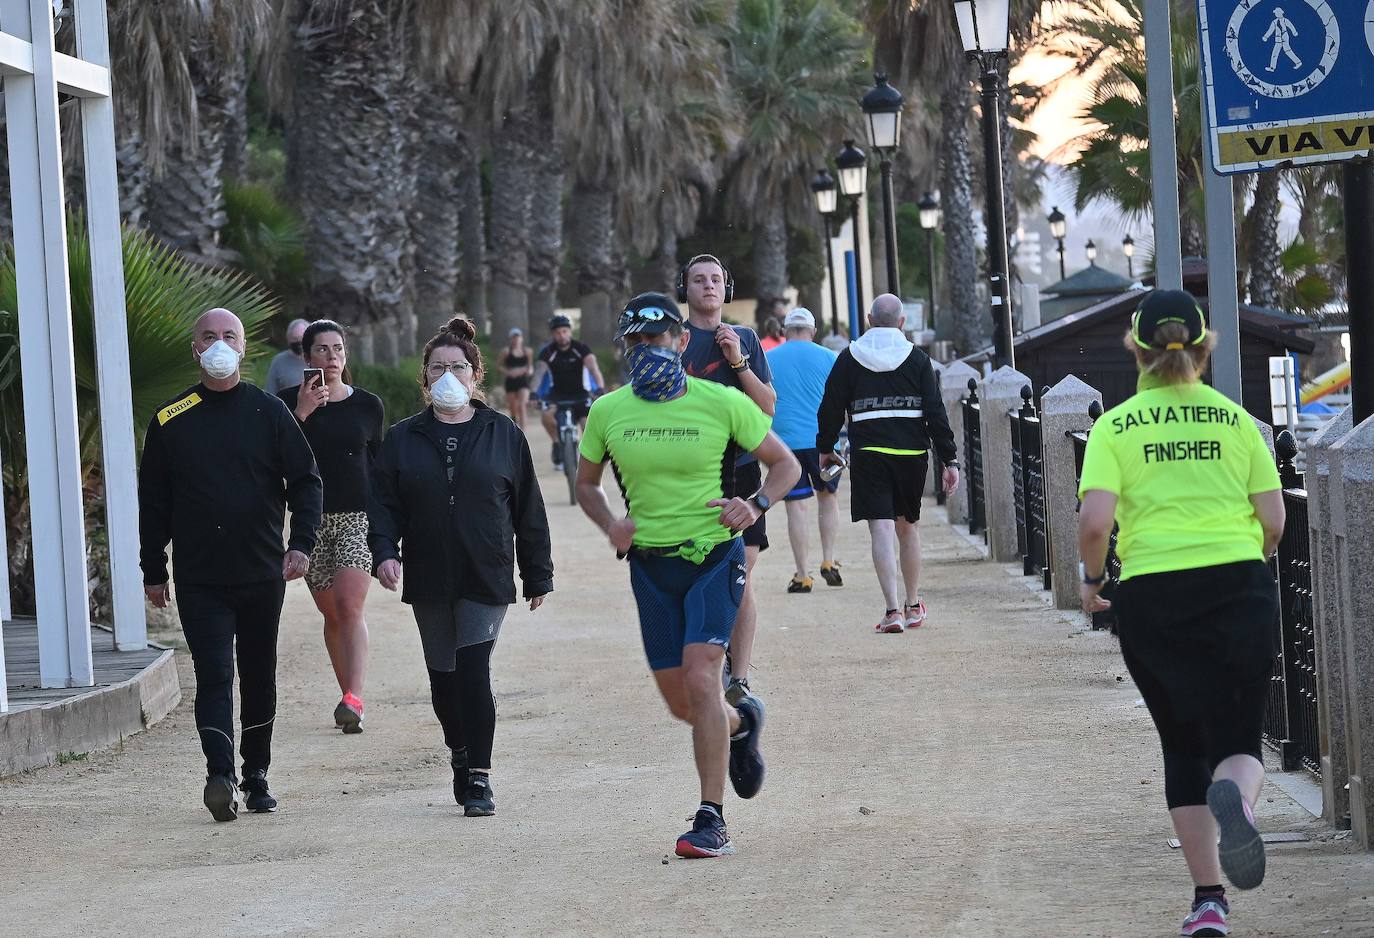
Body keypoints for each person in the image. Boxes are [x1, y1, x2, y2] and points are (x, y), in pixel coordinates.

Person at [1076, 290, 1286, 937]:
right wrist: (1247, 557)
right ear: (1204, 348)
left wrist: (1093, 579)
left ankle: (1208, 902)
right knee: (1239, 739)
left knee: (1182, 746)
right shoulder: (1237, 422)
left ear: (1137, 349)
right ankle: (1242, 809)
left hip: (1153, 595)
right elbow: (1274, 520)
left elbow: (1094, 522)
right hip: (1239, 585)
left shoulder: (1116, 426)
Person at [575, 292, 799, 858]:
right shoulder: (608, 411)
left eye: (659, 339)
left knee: (703, 677)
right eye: (639, 342)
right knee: (684, 704)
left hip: (712, 556)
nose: (650, 349)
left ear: (680, 341)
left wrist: (754, 506)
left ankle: (710, 818)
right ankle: (741, 726)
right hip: (651, 569)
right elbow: (585, 484)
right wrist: (610, 523)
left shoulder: (721, 400)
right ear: (628, 347)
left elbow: (785, 464)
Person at [139, 307, 322, 822]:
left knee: (258, 674)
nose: (218, 344)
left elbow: (307, 482)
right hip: (199, 577)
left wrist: (301, 544)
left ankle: (256, 773)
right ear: (194, 348)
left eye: (229, 336)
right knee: (214, 673)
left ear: (244, 348)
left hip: (262, 573)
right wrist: (153, 569)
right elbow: (152, 501)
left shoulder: (270, 412)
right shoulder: (170, 420)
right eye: (208, 336)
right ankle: (219, 774)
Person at [369, 316, 554, 818]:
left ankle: (480, 777)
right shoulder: (403, 438)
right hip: (428, 574)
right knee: (443, 681)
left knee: (474, 672)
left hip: (485, 571)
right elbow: (383, 505)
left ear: (476, 375)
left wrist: (537, 572)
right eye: (437, 367)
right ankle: (458, 750)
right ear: (424, 378)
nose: (447, 375)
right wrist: (384, 552)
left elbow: (528, 509)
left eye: (457, 366)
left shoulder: (504, 433)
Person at [817, 294, 959, 634]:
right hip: (911, 454)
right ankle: (913, 605)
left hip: (869, 453)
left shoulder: (850, 358)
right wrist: (949, 459)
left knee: (880, 529)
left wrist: (826, 447)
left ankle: (892, 611)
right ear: (902, 322)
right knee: (907, 528)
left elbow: (831, 407)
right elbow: (935, 412)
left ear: (868, 319)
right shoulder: (919, 360)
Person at [277, 320, 384, 734]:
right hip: (309, 522)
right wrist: (302, 413)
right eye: (321, 350)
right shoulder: (284, 405)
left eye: (338, 348)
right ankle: (348, 697)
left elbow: (378, 467)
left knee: (349, 605)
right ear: (306, 358)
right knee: (332, 614)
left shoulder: (368, 406)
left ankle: (354, 698)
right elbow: (275, 461)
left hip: (357, 517)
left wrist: (387, 529)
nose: (331, 357)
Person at [678, 254, 775, 705]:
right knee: (695, 577)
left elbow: (767, 406)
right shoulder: (671, 340)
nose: (709, 286)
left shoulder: (747, 339)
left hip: (741, 474)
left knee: (741, 575)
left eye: (716, 279)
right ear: (686, 290)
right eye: (699, 280)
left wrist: (738, 360)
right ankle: (708, 659)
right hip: (690, 478)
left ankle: (739, 676)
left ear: (727, 288)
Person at [764, 308, 842, 593]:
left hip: (784, 445)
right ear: (813, 330)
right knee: (828, 497)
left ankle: (802, 573)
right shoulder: (829, 358)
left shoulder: (769, 359)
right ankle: (829, 560)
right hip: (824, 442)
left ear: (785, 330)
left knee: (796, 506)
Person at [532, 314, 606, 470]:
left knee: (587, 425)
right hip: (556, 394)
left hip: (581, 393)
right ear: (553, 335)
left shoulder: (581, 349)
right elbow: (539, 373)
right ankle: (557, 443)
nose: (562, 335)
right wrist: (533, 393)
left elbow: (594, 369)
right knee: (546, 417)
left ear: (570, 332)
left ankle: (590, 458)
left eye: (565, 331)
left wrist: (600, 387)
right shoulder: (548, 352)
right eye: (558, 332)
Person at [499, 327, 533, 431]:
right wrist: (508, 372)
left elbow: (530, 365)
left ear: (521, 338)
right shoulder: (506, 351)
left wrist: (529, 371)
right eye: (514, 337)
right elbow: (499, 365)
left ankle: (523, 431)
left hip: (523, 380)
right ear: (511, 339)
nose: (516, 339)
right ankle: (514, 424)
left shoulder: (527, 351)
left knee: (522, 404)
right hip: (511, 380)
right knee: (513, 406)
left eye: (518, 337)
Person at [265, 318, 309, 395]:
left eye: (302, 338)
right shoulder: (279, 361)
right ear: (289, 339)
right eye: (295, 338)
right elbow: (270, 391)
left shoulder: (317, 359)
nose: (299, 342)